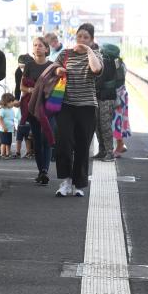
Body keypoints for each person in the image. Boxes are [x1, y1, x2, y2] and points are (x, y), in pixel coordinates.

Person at [53, 23, 103, 197]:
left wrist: (89, 50)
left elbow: (96, 69)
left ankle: (78, 184)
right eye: (79, 36)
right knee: (64, 143)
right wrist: (59, 70)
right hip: (65, 105)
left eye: (86, 37)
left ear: (92, 39)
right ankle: (66, 181)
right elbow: (53, 69)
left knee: (83, 146)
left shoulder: (96, 55)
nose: (81, 39)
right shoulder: (65, 53)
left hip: (87, 107)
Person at [20, 36, 54, 184]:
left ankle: (45, 170)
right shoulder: (29, 66)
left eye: (40, 45)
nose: (37, 48)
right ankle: (41, 171)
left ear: (46, 49)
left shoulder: (53, 66)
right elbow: (21, 86)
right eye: (35, 45)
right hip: (33, 106)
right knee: (37, 140)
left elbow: (58, 85)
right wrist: (30, 90)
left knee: (46, 138)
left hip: (48, 107)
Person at [92, 43, 123, 162]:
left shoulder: (106, 62)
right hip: (107, 97)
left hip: (105, 98)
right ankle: (103, 151)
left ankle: (109, 152)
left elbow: (100, 81)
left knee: (103, 125)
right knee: (100, 124)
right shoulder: (115, 62)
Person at [0, 92, 17, 158]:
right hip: (3, 130)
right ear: (6, 102)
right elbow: (0, 119)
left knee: (9, 142)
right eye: (11, 102)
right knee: (4, 142)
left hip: (9, 129)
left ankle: (8, 153)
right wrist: (3, 127)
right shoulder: (3, 110)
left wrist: (14, 126)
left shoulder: (11, 110)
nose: (13, 103)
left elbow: (12, 119)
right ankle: (2, 154)